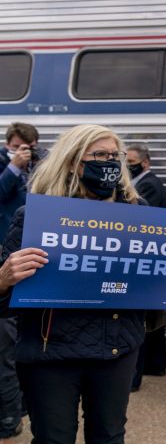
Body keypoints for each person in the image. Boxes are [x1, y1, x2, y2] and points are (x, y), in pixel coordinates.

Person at [0, 124, 166, 443]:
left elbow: (150, 286)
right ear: (72, 161)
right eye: (99, 155)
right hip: (49, 355)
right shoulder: (35, 218)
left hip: (116, 349)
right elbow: (3, 304)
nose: (109, 162)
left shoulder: (139, 217)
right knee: (54, 439)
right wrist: (3, 278)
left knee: (110, 436)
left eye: (115, 155)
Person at [0, 122, 39, 443]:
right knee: (6, 345)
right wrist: (13, 167)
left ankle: (21, 407)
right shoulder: (5, 165)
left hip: (32, 260)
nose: (22, 150)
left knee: (22, 343)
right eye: (16, 145)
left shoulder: (38, 167)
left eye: (27, 146)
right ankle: (10, 416)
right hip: (5, 260)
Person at [126, 143, 166, 392]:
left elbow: (140, 222)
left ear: (144, 163)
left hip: (148, 258)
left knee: (142, 319)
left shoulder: (148, 185)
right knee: (152, 319)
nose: (126, 166)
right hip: (150, 258)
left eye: (130, 161)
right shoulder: (146, 182)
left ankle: (135, 377)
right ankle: (156, 364)